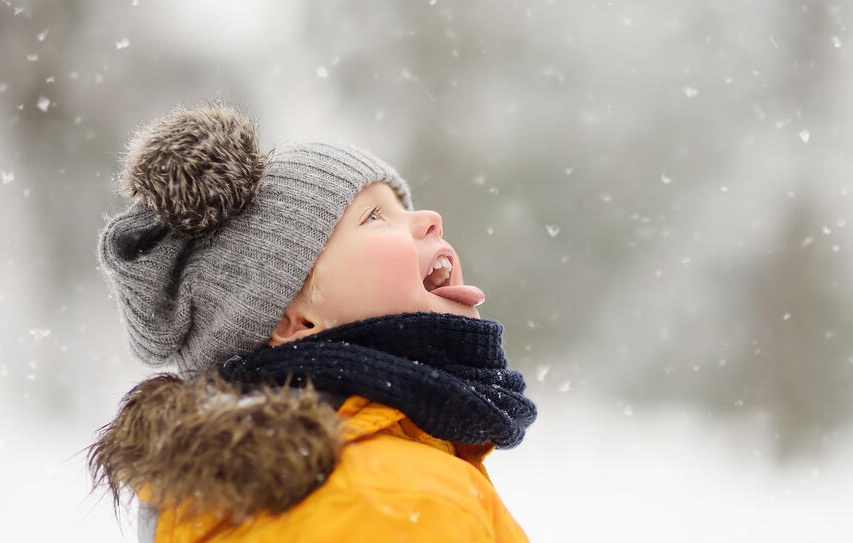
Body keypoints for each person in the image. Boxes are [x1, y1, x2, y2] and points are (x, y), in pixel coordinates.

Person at [87, 102, 537, 542]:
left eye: (400, 208)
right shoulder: (394, 499)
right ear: (295, 323)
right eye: (375, 217)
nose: (430, 219)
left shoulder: (290, 494)